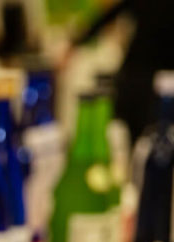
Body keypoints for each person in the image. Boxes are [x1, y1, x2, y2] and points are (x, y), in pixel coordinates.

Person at [66, 0, 174, 142]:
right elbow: (110, 15)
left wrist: (75, 44)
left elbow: (109, 15)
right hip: (143, 74)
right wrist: (76, 43)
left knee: (141, 132)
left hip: (142, 74)